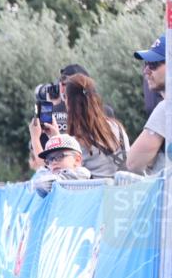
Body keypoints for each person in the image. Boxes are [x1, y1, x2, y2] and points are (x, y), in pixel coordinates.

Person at [30, 74, 128, 178]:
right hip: (124, 185)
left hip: (95, 188)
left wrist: (35, 138)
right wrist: (56, 137)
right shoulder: (117, 127)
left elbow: (50, 171)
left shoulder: (78, 140)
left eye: (64, 97)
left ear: (69, 102)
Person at [127, 34, 167, 175]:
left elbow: (133, 163)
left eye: (153, 64)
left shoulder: (166, 108)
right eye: (146, 64)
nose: (146, 71)